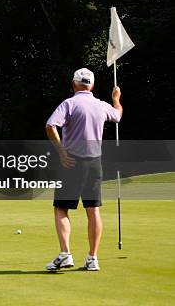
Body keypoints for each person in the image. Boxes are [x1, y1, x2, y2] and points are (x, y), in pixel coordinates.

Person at [45, 68, 122, 272]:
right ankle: (92, 258)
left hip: (71, 162)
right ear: (92, 85)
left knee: (61, 208)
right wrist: (116, 98)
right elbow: (117, 116)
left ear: (74, 84)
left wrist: (61, 152)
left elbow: (50, 125)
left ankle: (65, 254)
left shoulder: (69, 104)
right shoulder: (101, 105)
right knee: (93, 210)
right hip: (94, 163)